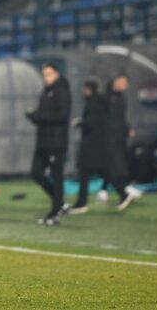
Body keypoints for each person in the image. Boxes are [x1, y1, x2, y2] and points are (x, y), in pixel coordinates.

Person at [26, 63, 71, 226]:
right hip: (43, 141)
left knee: (57, 177)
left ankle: (55, 212)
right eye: (44, 74)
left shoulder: (62, 90)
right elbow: (44, 114)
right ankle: (60, 203)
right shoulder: (46, 91)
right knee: (36, 173)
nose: (46, 78)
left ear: (56, 73)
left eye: (49, 74)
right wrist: (34, 116)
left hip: (56, 142)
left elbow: (62, 115)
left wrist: (40, 117)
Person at [68, 80, 108, 214]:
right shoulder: (98, 102)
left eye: (85, 89)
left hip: (91, 145)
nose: (83, 91)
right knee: (98, 171)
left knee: (87, 172)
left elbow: (92, 123)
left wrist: (80, 123)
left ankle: (82, 202)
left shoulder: (94, 104)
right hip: (95, 144)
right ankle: (81, 202)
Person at [105, 74, 142, 210]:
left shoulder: (121, 98)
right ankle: (123, 191)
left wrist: (127, 129)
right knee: (110, 166)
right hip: (109, 138)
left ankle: (124, 191)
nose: (125, 86)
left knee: (118, 165)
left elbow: (121, 118)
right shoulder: (108, 97)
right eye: (123, 82)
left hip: (119, 138)